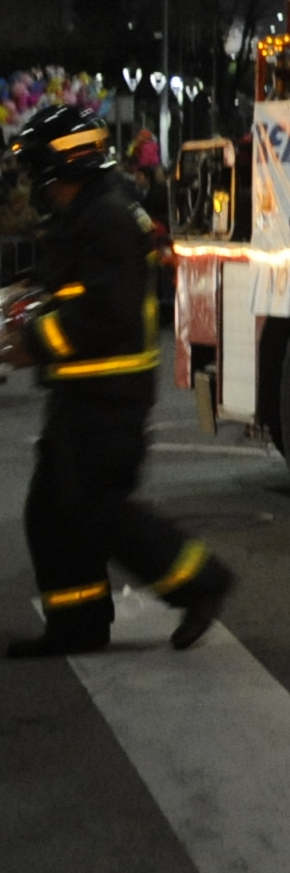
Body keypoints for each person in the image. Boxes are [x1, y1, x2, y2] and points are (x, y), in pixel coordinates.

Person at [5, 108, 234, 658]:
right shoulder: (92, 215)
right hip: (81, 394)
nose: (37, 187)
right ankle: (76, 625)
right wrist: (31, 305)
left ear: (65, 168)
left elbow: (99, 316)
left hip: (106, 398)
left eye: (41, 173)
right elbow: (77, 295)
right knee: (51, 512)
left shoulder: (104, 219)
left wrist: (31, 341)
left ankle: (201, 581)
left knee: (100, 510)